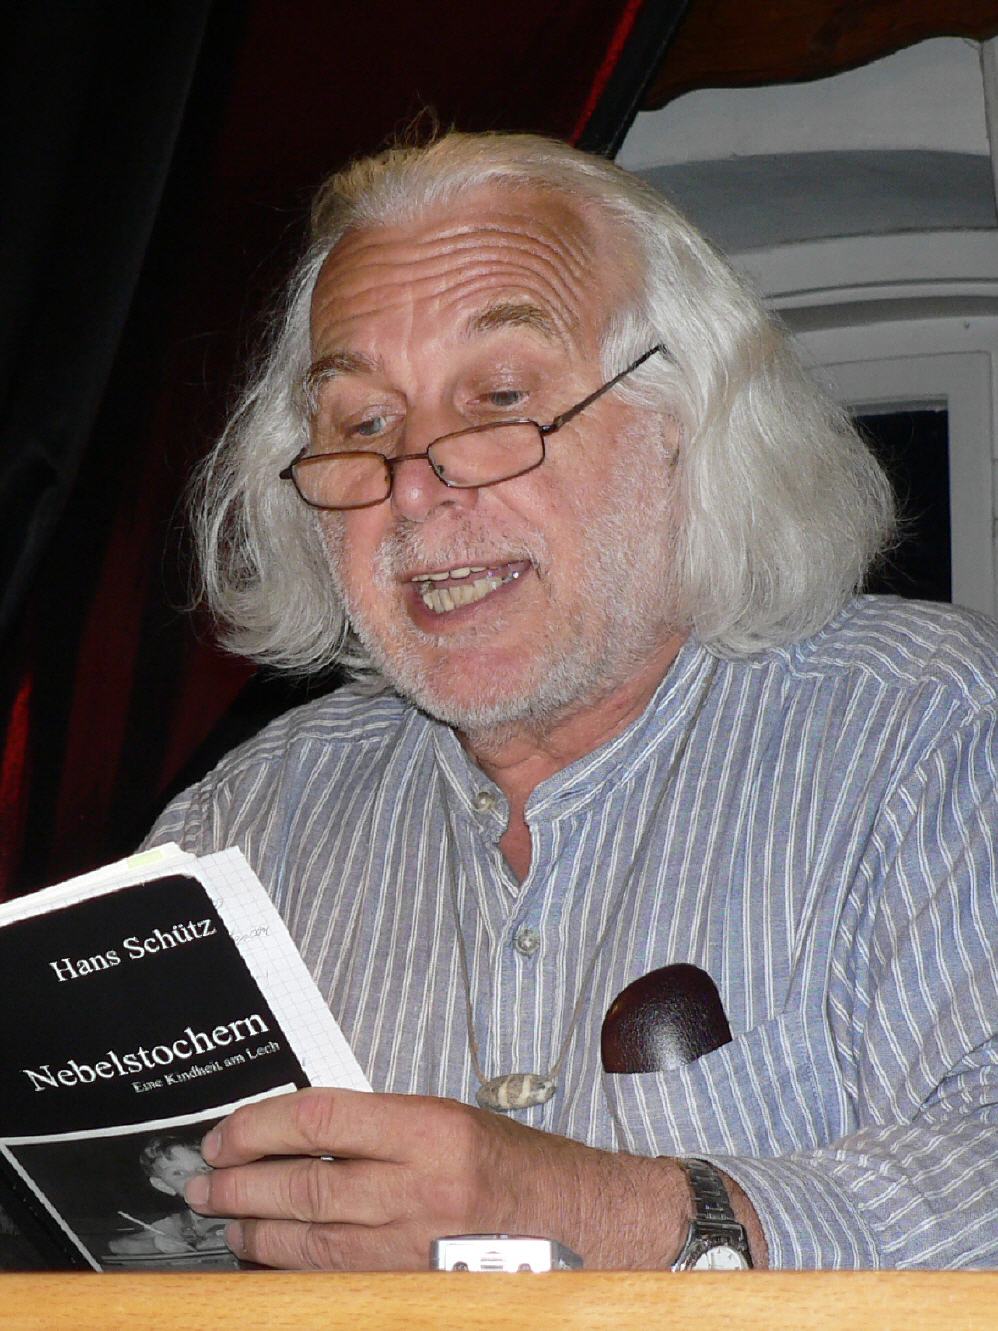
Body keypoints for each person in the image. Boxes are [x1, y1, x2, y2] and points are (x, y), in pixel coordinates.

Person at [146, 132, 998, 1271]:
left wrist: (601, 1211)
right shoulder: (245, 826)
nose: (414, 485)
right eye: (362, 423)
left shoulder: (929, 728)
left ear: (684, 423)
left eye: (499, 399)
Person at [108, 1136, 229, 1257]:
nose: (195, 1176)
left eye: (203, 1168)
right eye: (178, 1173)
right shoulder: (182, 1223)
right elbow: (117, 1246)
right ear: (163, 1185)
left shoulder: (240, 1211)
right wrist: (158, 1244)